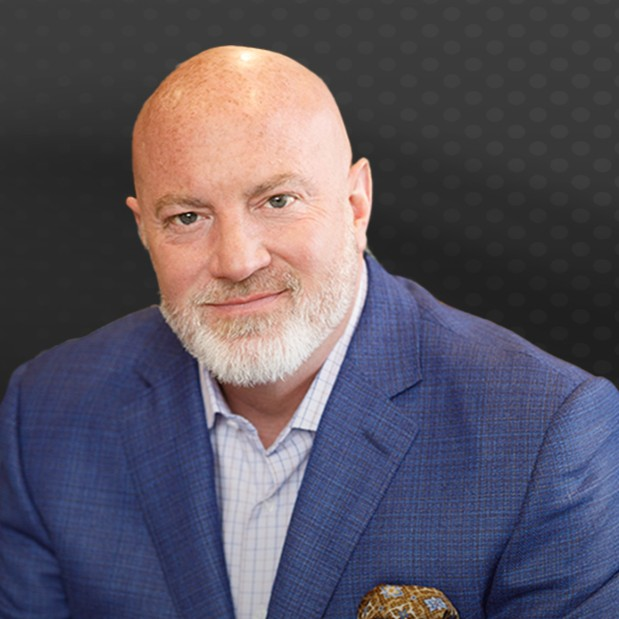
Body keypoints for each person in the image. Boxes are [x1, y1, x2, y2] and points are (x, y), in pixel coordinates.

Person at [0, 45, 617, 619]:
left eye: (277, 201)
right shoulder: (46, 413)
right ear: (144, 229)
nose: (237, 261)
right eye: (187, 217)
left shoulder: (544, 431)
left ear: (356, 204)